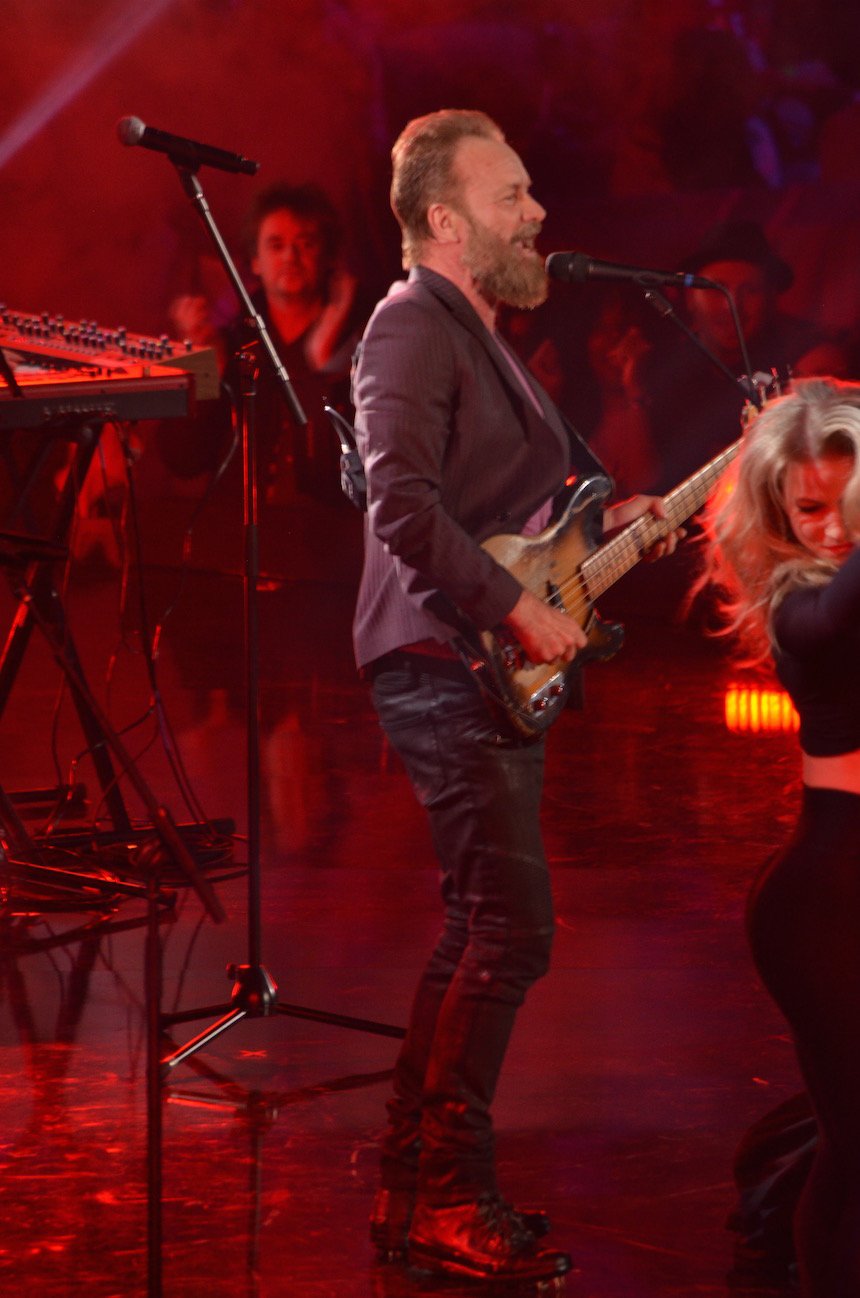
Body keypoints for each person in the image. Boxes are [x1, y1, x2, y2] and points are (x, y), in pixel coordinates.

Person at [352, 108, 682, 1285]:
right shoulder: (410, 324)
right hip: (444, 656)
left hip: (467, 660)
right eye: (511, 195)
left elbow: (517, 511)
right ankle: (447, 1196)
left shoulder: (477, 335)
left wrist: (616, 518)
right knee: (510, 929)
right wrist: (507, 608)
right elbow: (399, 501)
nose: (536, 213)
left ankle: (412, 1187)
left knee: (478, 924)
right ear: (445, 220)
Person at [699, 377, 860, 1297]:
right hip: (827, 905)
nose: (832, 530)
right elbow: (842, 613)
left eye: (847, 504)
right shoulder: (803, 605)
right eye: (809, 510)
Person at [158, 181, 367, 578]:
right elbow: (183, 460)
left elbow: (356, 477)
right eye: (276, 245)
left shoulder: (362, 344)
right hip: (233, 558)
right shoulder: (231, 341)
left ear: (327, 257)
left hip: (329, 565)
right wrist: (203, 368)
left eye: (305, 243)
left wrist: (322, 363)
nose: (291, 256)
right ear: (254, 261)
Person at [641, 220, 850, 493]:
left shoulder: (802, 351)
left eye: (749, 290)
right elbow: (642, 482)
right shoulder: (661, 368)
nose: (732, 305)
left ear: (770, 299)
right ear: (690, 299)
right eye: (717, 289)